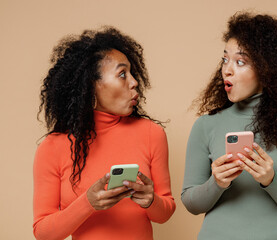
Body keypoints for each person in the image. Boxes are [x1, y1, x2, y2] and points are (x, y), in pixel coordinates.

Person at [182, 12, 277, 240]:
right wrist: (217, 182)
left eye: (240, 61)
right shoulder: (206, 126)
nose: (227, 70)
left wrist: (271, 180)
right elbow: (191, 203)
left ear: (269, 70)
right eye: (225, 59)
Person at [33, 27, 176, 240]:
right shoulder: (53, 147)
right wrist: (88, 203)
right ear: (92, 87)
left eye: (131, 73)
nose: (134, 82)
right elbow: (43, 232)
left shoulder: (151, 134)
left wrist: (150, 200)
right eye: (122, 74)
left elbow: (165, 211)